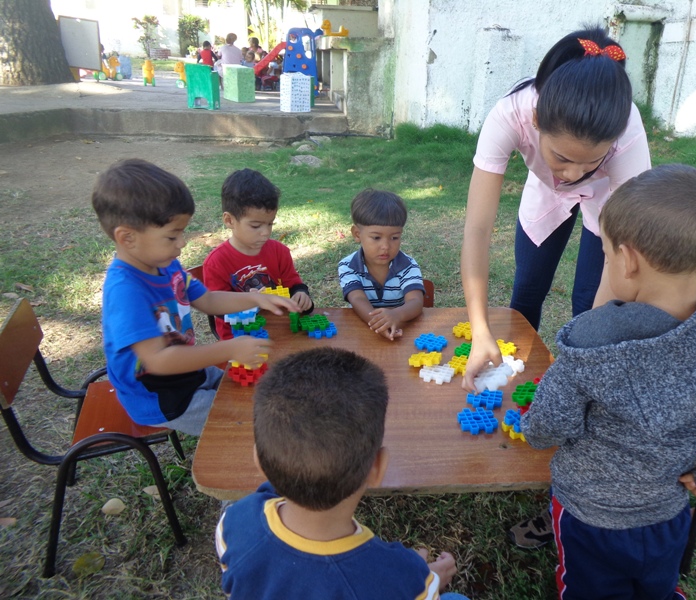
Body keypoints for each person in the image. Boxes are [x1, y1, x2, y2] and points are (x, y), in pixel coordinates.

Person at [520, 164, 696, 599]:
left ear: (627, 260)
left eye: (607, 255)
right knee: (656, 586)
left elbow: (547, 429)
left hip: (588, 516)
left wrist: (531, 427)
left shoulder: (586, 343)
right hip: (667, 516)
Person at [461, 27, 651, 391]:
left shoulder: (626, 131)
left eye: (591, 161)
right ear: (536, 123)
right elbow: (477, 230)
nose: (574, 174)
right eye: (562, 157)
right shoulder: (510, 115)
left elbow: (622, 255)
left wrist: (587, 355)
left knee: (588, 301)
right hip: (544, 192)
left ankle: (581, 377)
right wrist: (481, 331)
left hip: (607, 198)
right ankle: (517, 371)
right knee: (529, 287)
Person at [216, 347, 467, 599]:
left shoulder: (234, 522)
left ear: (258, 459)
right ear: (377, 469)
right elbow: (412, 588)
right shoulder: (399, 574)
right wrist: (430, 577)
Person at [91, 159, 299, 436]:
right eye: (172, 236)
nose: (182, 243)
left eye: (182, 233)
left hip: (189, 371)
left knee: (258, 397)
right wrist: (229, 349)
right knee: (250, 426)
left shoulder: (166, 265)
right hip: (161, 397)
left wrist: (257, 300)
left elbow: (209, 301)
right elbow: (159, 361)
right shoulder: (126, 291)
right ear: (127, 238)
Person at [203, 168, 313, 340]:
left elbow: (293, 283)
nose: (265, 233)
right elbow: (218, 310)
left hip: (279, 329)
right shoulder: (217, 262)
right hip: (238, 338)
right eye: (255, 226)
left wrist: (301, 294)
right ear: (229, 220)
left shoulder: (279, 251)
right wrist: (250, 302)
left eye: (270, 224)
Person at [338, 189, 424, 341]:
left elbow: (416, 301)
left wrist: (396, 315)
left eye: (394, 237)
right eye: (376, 237)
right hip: (364, 333)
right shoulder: (348, 266)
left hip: (403, 332)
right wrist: (379, 323)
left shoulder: (408, 266)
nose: (385, 246)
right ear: (357, 234)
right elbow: (357, 299)